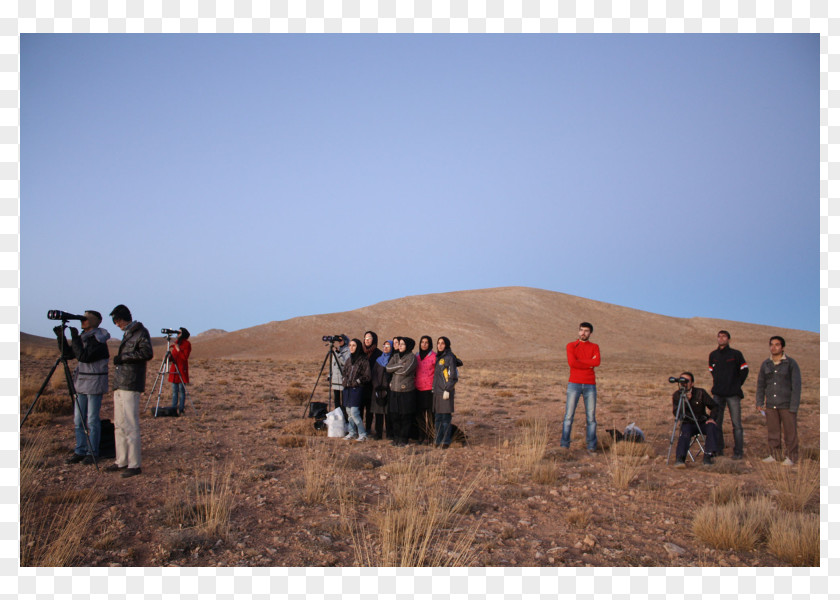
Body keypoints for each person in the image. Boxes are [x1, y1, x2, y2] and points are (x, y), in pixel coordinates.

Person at [55, 310, 111, 465]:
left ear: (93, 321)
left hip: (94, 385)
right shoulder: (84, 338)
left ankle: (92, 452)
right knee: (78, 420)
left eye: (85, 319)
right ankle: (80, 450)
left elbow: (83, 357)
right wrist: (61, 336)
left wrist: (74, 338)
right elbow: (69, 355)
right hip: (81, 384)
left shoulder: (98, 340)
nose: (82, 321)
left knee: (92, 420)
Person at [107, 304, 153, 478]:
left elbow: (147, 353)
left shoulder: (140, 332)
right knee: (119, 424)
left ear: (123, 317)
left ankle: (134, 464)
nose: (116, 324)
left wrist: (124, 357)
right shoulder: (128, 333)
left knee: (130, 424)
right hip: (120, 382)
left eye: (117, 320)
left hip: (131, 383)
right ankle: (121, 460)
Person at [755, 336, 801, 465]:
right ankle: (774, 455)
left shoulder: (791, 364)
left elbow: (796, 386)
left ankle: (792, 457)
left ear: (782, 347)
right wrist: (759, 402)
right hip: (771, 405)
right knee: (773, 432)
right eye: (771, 344)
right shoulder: (766, 364)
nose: (773, 347)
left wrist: (794, 406)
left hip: (787, 405)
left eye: (777, 345)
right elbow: (761, 384)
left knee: (790, 433)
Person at [560, 322, 601, 453]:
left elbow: (597, 362)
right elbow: (572, 363)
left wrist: (580, 362)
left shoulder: (595, 346)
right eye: (581, 330)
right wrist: (589, 363)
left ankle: (591, 446)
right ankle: (564, 445)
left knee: (591, 418)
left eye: (586, 331)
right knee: (568, 416)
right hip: (574, 383)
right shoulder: (571, 345)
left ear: (590, 333)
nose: (583, 333)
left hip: (590, 385)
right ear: (578, 332)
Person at [709, 330, 749, 459]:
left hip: (733, 394)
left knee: (736, 424)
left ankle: (738, 452)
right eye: (719, 336)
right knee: (717, 422)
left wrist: (736, 385)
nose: (721, 339)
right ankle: (718, 449)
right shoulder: (713, 355)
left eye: (724, 336)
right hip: (718, 394)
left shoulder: (736, 354)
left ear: (729, 339)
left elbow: (744, 370)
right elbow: (712, 370)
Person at [671, 372, 721, 467]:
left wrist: (712, 418)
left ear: (692, 383)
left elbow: (715, 407)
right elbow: (676, 413)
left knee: (712, 427)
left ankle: (708, 456)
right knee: (684, 433)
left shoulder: (700, 393)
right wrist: (685, 402)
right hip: (688, 423)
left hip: (702, 421)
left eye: (686, 381)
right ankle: (680, 459)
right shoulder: (677, 395)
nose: (684, 383)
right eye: (682, 380)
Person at [386, 337, 417, 447]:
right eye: (399, 344)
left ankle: (404, 439)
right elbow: (388, 368)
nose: (400, 346)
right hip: (394, 390)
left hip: (406, 391)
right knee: (394, 415)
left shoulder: (412, 358)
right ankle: (396, 438)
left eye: (402, 344)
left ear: (408, 346)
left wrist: (396, 368)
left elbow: (405, 371)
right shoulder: (395, 356)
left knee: (405, 416)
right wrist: (399, 365)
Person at [341, 338, 371, 442]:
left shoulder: (363, 360)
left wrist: (357, 382)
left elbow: (367, 376)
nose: (351, 347)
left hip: (356, 389)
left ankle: (363, 434)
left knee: (354, 412)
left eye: (354, 345)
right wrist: (344, 380)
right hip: (347, 389)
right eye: (350, 345)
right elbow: (344, 372)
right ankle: (352, 433)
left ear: (358, 347)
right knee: (349, 412)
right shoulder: (349, 359)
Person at [432, 336, 459, 449]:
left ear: (447, 345)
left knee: (445, 418)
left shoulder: (449, 357)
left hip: (445, 391)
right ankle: (437, 440)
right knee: (438, 418)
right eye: (438, 343)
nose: (440, 345)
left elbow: (453, 376)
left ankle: (445, 441)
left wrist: (448, 389)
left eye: (442, 343)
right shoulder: (439, 357)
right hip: (437, 392)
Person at [414, 335, 436, 444]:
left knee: (430, 414)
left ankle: (431, 436)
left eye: (426, 342)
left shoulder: (434, 356)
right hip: (418, 388)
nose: (424, 344)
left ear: (430, 344)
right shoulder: (416, 356)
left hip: (430, 389)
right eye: (422, 342)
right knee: (419, 415)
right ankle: (421, 436)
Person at [370, 339, 393, 440]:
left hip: (388, 389)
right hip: (377, 390)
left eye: (388, 346)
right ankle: (378, 433)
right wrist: (376, 385)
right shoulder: (378, 360)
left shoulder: (392, 360)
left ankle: (389, 433)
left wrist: (387, 386)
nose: (385, 348)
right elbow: (373, 374)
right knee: (378, 412)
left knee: (388, 413)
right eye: (384, 346)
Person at [361, 331, 381, 433]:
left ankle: (368, 428)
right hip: (360, 384)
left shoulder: (379, 353)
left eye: (369, 338)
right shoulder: (360, 352)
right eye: (365, 338)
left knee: (369, 409)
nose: (367, 340)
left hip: (372, 385)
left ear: (374, 339)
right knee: (359, 408)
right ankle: (359, 429)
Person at [168, 327, 191, 415]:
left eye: (179, 332)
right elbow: (173, 356)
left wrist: (178, 348)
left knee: (181, 390)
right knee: (174, 391)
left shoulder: (187, 344)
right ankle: (173, 409)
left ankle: (181, 409)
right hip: (174, 369)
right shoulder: (176, 343)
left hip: (181, 369)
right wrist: (167, 357)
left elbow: (185, 357)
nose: (177, 334)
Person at [330, 334, 350, 417]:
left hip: (342, 378)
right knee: (336, 400)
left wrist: (339, 354)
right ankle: (338, 417)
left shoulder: (348, 351)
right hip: (335, 378)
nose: (339, 342)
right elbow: (333, 364)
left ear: (345, 341)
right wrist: (330, 374)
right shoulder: (336, 350)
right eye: (339, 340)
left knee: (344, 400)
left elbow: (345, 363)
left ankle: (345, 417)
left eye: (341, 340)